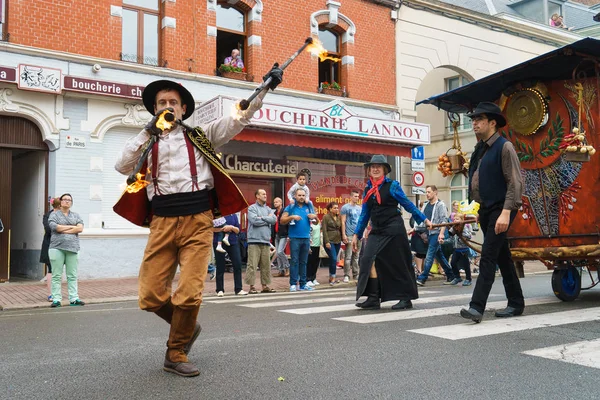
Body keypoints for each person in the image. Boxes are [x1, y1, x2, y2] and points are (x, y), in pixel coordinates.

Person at [114, 70, 283, 377]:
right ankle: (187, 326)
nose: (167, 105)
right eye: (161, 102)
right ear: (154, 110)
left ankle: (176, 351)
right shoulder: (147, 142)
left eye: (173, 102)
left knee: (190, 293)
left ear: (183, 109)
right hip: (162, 222)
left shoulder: (201, 135)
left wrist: (265, 88)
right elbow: (121, 165)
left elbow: (238, 117)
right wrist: (147, 132)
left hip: (198, 221)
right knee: (150, 295)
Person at [460, 101, 525, 323]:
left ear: (492, 122)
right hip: (487, 210)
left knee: (488, 256)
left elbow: (515, 183)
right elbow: (478, 180)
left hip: (501, 208)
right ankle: (516, 302)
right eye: (473, 120)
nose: (474, 123)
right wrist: (478, 208)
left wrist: (506, 212)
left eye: (479, 119)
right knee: (502, 257)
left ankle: (476, 307)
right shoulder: (480, 148)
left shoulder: (504, 147)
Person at [352, 155, 432, 311]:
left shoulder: (393, 185)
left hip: (394, 228)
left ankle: (405, 298)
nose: (375, 169)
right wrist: (357, 234)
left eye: (379, 167)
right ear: (369, 170)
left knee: (398, 263)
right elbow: (364, 214)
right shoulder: (368, 189)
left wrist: (424, 219)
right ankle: (374, 298)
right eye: (372, 166)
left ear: (384, 170)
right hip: (377, 230)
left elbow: (407, 204)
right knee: (368, 258)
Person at [48, 193, 85, 308]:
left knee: (72, 275)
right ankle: (56, 299)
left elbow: (80, 228)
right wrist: (73, 228)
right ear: (60, 202)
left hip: (73, 248)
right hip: (57, 248)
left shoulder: (76, 215)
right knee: (56, 275)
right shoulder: (54, 215)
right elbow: (55, 227)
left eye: (69, 200)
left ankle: (74, 298)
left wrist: (64, 229)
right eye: (65, 199)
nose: (67, 201)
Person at [415, 186, 456, 286]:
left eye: (429, 192)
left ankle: (422, 278)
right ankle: (451, 275)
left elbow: (444, 220)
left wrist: (441, 233)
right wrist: (414, 229)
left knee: (429, 255)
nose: (427, 194)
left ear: (435, 192)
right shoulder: (425, 205)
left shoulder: (440, 205)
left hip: (436, 233)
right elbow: (421, 219)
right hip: (428, 233)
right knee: (439, 256)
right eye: (426, 192)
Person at [281, 188, 318, 292]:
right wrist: (292, 217)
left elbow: (316, 222)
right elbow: (282, 220)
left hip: (306, 238)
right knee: (294, 261)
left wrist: (314, 216)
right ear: (295, 196)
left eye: (303, 195)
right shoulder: (290, 207)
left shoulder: (309, 206)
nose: (301, 197)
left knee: (304, 262)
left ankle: (303, 284)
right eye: (299, 195)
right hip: (294, 238)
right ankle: (293, 284)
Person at [245, 189, 277, 294]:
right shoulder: (251, 208)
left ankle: (265, 286)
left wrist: (262, 218)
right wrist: (267, 218)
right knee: (252, 265)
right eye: (263, 194)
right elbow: (254, 221)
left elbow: (274, 220)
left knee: (266, 265)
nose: (265, 195)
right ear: (257, 196)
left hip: (265, 240)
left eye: (266, 194)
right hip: (253, 240)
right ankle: (252, 287)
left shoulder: (268, 209)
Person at [213, 213, 246, 297]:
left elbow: (238, 230)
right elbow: (210, 229)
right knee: (220, 265)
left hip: (233, 241)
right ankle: (219, 289)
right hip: (218, 241)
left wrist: (231, 228)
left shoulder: (233, 215)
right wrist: (222, 229)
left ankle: (238, 288)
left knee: (237, 264)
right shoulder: (217, 214)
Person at [41, 197, 61, 302]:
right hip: (50, 244)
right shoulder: (48, 216)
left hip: (61, 244)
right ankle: (50, 294)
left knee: (57, 269)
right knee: (51, 269)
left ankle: (55, 293)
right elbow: (49, 229)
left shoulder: (63, 215)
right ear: (58, 205)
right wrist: (61, 228)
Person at [340, 189, 362, 282]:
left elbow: (361, 222)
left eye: (358, 196)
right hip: (349, 234)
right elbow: (343, 221)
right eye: (355, 196)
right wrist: (344, 234)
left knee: (356, 256)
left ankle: (355, 274)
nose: (357, 198)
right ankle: (346, 275)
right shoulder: (345, 207)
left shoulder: (360, 208)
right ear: (351, 196)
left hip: (358, 234)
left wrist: (363, 233)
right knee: (348, 256)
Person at [448, 213, 473, 286]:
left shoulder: (464, 227)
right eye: (455, 219)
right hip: (456, 249)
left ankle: (468, 279)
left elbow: (468, 236)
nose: (455, 220)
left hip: (464, 249)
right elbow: (451, 236)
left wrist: (462, 235)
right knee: (453, 263)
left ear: (462, 220)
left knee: (466, 265)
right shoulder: (454, 227)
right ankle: (457, 277)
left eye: (457, 219)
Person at [322, 202, 343, 286]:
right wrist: (326, 241)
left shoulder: (338, 217)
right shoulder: (326, 217)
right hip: (329, 240)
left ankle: (331, 276)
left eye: (337, 208)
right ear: (330, 209)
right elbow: (324, 230)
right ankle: (333, 277)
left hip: (337, 240)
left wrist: (343, 238)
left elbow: (341, 228)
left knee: (333, 259)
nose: (336, 209)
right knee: (333, 258)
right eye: (334, 208)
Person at [272, 197, 290, 277]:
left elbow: (288, 223)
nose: (275, 203)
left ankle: (287, 268)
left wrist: (289, 234)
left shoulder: (284, 211)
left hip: (284, 234)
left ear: (281, 202)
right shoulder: (275, 213)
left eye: (277, 202)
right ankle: (281, 270)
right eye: (274, 202)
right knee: (277, 253)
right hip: (277, 234)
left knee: (280, 252)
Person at [306, 217, 322, 285]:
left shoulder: (318, 224)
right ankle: (308, 278)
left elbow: (320, 224)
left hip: (318, 245)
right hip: (311, 245)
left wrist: (316, 217)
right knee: (309, 263)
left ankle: (313, 278)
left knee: (316, 263)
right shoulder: (308, 224)